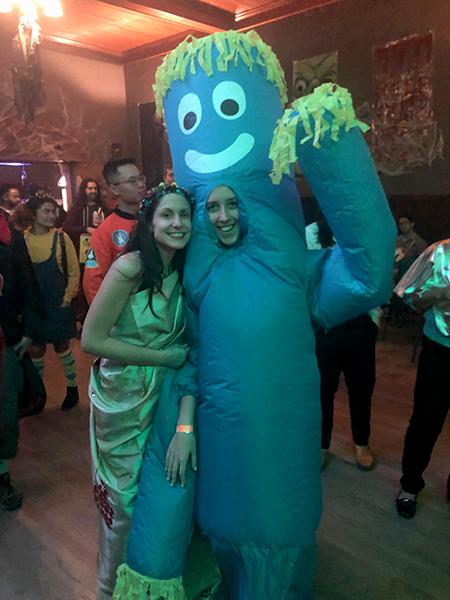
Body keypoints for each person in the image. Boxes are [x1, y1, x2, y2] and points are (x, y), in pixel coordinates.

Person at [134, 30, 396, 599]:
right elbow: (188, 353)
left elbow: (369, 274)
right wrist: (184, 428)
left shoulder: (292, 266)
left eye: (233, 205)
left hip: (280, 457)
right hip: (218, 442)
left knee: (278, 533)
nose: (224, 215)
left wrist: (330, 144)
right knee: (224, 530)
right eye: (213, 207)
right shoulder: (193, 270)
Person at [81, 184, 195, 599]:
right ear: (149, 222)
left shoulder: (185, 269)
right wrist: (163, 358)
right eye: (167, 215)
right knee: (124, 501)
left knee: (160, 497)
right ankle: (110, 588)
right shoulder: (130, 267)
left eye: (184, 215)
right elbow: (92, 339)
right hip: (124, 396)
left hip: (164, 395)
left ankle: (150, 582)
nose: (177, 223)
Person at [308, 220, 379, 471]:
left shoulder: (362, 228)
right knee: (322, 390)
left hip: (360, 324)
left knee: (361, 388)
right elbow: (305, 276)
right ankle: (321, 445)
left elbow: (376, 276)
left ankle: (361, 442)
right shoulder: (312, 233)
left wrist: (374, 321)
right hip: (325, 326)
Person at [394, 239, 450, 518]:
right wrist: (439, 293)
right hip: (440, 351)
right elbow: (408, 297)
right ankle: (410, 485)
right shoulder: (440, 252)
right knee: (426, 422)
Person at [0, 207, 44, 510]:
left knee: (5, 414)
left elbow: (28, 283)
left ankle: (2, 475)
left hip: (5, 341)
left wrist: (28, 330)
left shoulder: (10, 237)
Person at [24, 191, 80, 410]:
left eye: (54, 211)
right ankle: (39, 394)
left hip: (58, 303)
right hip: (33, 306)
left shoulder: (61, 239)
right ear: (34, 214)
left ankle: (72, 389)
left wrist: (67, 298)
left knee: (62, 347)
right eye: (46, 211)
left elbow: (73, 272)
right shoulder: (23, 240)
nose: (52, 216)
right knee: (36, 349)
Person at [83, 159, 145, 305]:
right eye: (132, 181)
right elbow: (92, 282)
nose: (141, 184)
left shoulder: (154, 221)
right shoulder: (105, 231)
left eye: (141, 178)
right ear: (114, 189)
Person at [64, 178, 107, 324]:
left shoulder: (104, 209)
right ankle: (85, 317)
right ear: (84, 190)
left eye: (95, 188)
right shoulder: (76, 209)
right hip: (82, 254)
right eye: (90, 188)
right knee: (85, 284)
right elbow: (68, 227)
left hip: (101, 252)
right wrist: (86, 229)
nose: (93, 191)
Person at [395, 214, 427, 282]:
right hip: (398, 276)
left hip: (412, 277)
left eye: (405, 223)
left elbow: (423, 262)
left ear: (412, 224)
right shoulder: (397, 240)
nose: (403, 226)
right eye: (401, 224)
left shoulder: (419, 242)